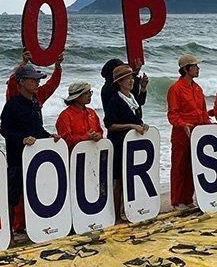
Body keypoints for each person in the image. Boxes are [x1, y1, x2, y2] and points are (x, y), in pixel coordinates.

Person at [0, 64, 60, 232]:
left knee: (35, 192)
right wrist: (22, 139)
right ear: (21, 82)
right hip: (17, 159)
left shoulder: (34, 103)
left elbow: (37, 129)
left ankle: (32, 227)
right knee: (14, 197)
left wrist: (49, 136)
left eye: (37, 80)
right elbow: (4, 130)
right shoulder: (12, 105)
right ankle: (9, 232)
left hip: (35, 158)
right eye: (33, 80)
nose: (37, 83)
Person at [103, 63, 150, 214]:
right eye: (126, 79)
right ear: (119, 83)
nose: (131, 81)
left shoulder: (132, 97)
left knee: (129, 177)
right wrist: (131, 125)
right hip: (118, 144)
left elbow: (138, 113)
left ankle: (127, 209)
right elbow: (109, 124)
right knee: (119, 180)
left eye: (131, 77)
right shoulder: (115, 100)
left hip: (132, 144)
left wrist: (142, 124)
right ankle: (116, 213)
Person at [166, 54, 211, 208]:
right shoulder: (176, 88)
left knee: (194, 165)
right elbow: (173, 113)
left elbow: (203, 112)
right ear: (186, 69)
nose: (198, 69)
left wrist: (209, 126)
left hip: (197, 133)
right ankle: (176, 200)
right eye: (195, 66)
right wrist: (182, 124)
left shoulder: (197, 88)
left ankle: (188, 199)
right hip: (181, 133)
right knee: (179, 166)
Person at [55, 82, 104, 148]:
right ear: (77, 97)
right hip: (74, 154)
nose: (89, 95)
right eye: (86, 93)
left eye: (90, 92)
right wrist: (85, 137)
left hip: (93, 151)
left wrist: (99, 135)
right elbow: (65, 141)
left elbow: (100, 131)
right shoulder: (65, 115)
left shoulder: (91, 112)